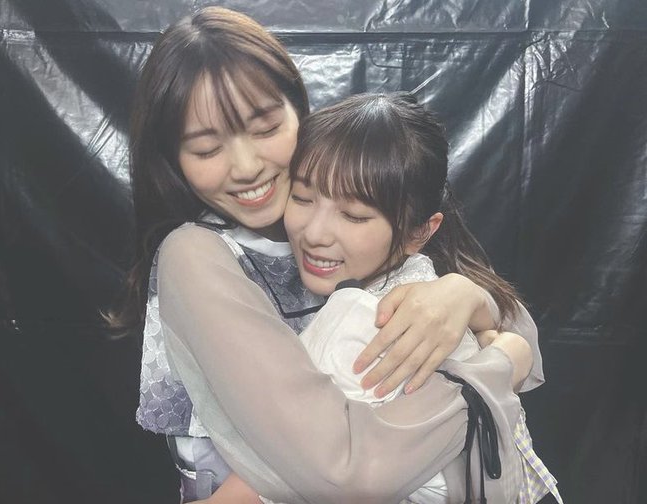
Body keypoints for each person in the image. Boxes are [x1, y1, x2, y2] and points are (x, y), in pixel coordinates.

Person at [109, 7, 544, 503]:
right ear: (173, 160)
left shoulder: (360, 198)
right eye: (207, 149)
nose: (246, 166)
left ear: (300, 110)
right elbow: (344, 472)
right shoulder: (197, 255)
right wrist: (496, 368)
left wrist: (464, 295)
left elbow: (526, 342)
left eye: (266, 128)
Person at [198, 93, 560, 504]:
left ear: (419, 232)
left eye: (353, 215)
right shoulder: (424, 276)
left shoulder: (359, 317)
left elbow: (277, 472)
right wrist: (502, 349)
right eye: (302, 197)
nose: (315, 233)